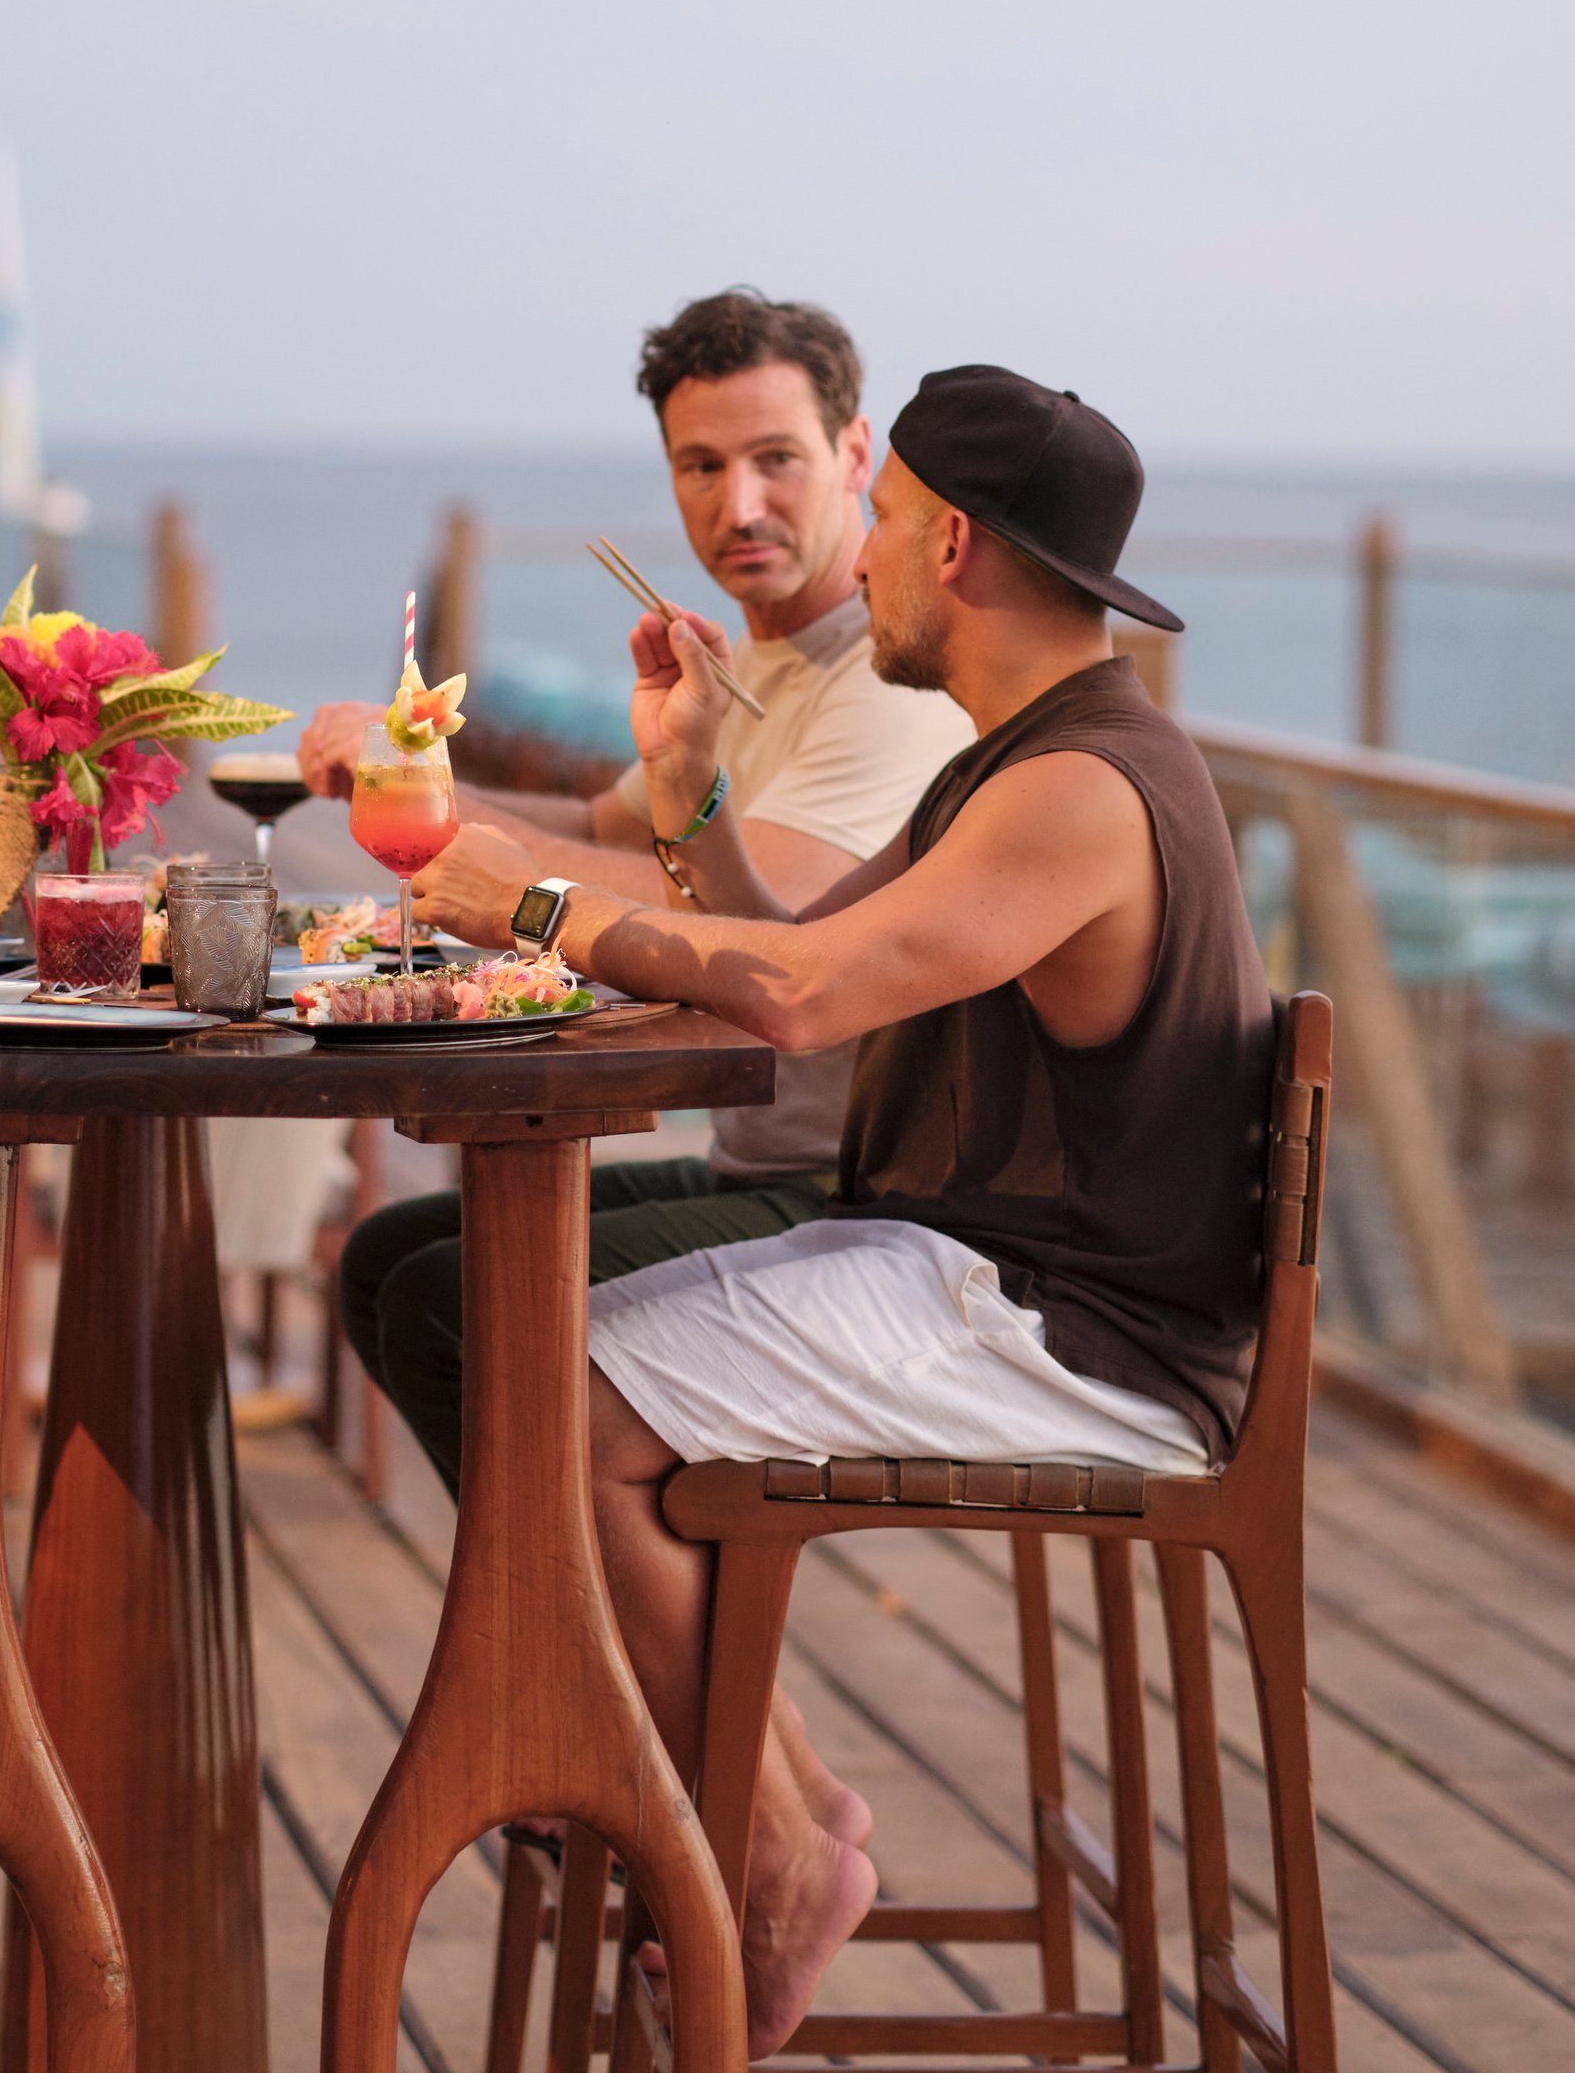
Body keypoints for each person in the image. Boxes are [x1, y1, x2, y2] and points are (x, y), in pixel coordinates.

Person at [412, 366, 1271, 2050]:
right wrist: (685, 779)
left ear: (951, 542)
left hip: (1074, 1329)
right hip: (989, 1270)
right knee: (534, 1358)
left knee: (553, 1389)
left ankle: (771, 1855)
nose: (854, 555)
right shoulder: (1020, 760)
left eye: (876, 520)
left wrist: (531, 901)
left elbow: (800, 1003)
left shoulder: (1080, 790)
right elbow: (778, 953)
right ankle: (709, 1798)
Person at [305, 290, 969, 1491]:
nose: (739, 505)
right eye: (700, 466)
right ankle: (569, 1637)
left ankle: (598, 1651)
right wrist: (414, 781)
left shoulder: (889, 684)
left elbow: (763, 915)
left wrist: (506, 883)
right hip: (761, 1159)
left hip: (875, 1196)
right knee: (389, 1257)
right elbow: (603, 829)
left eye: (777, 460)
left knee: (451, 1302)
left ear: (855, 455)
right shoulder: (753, 659)